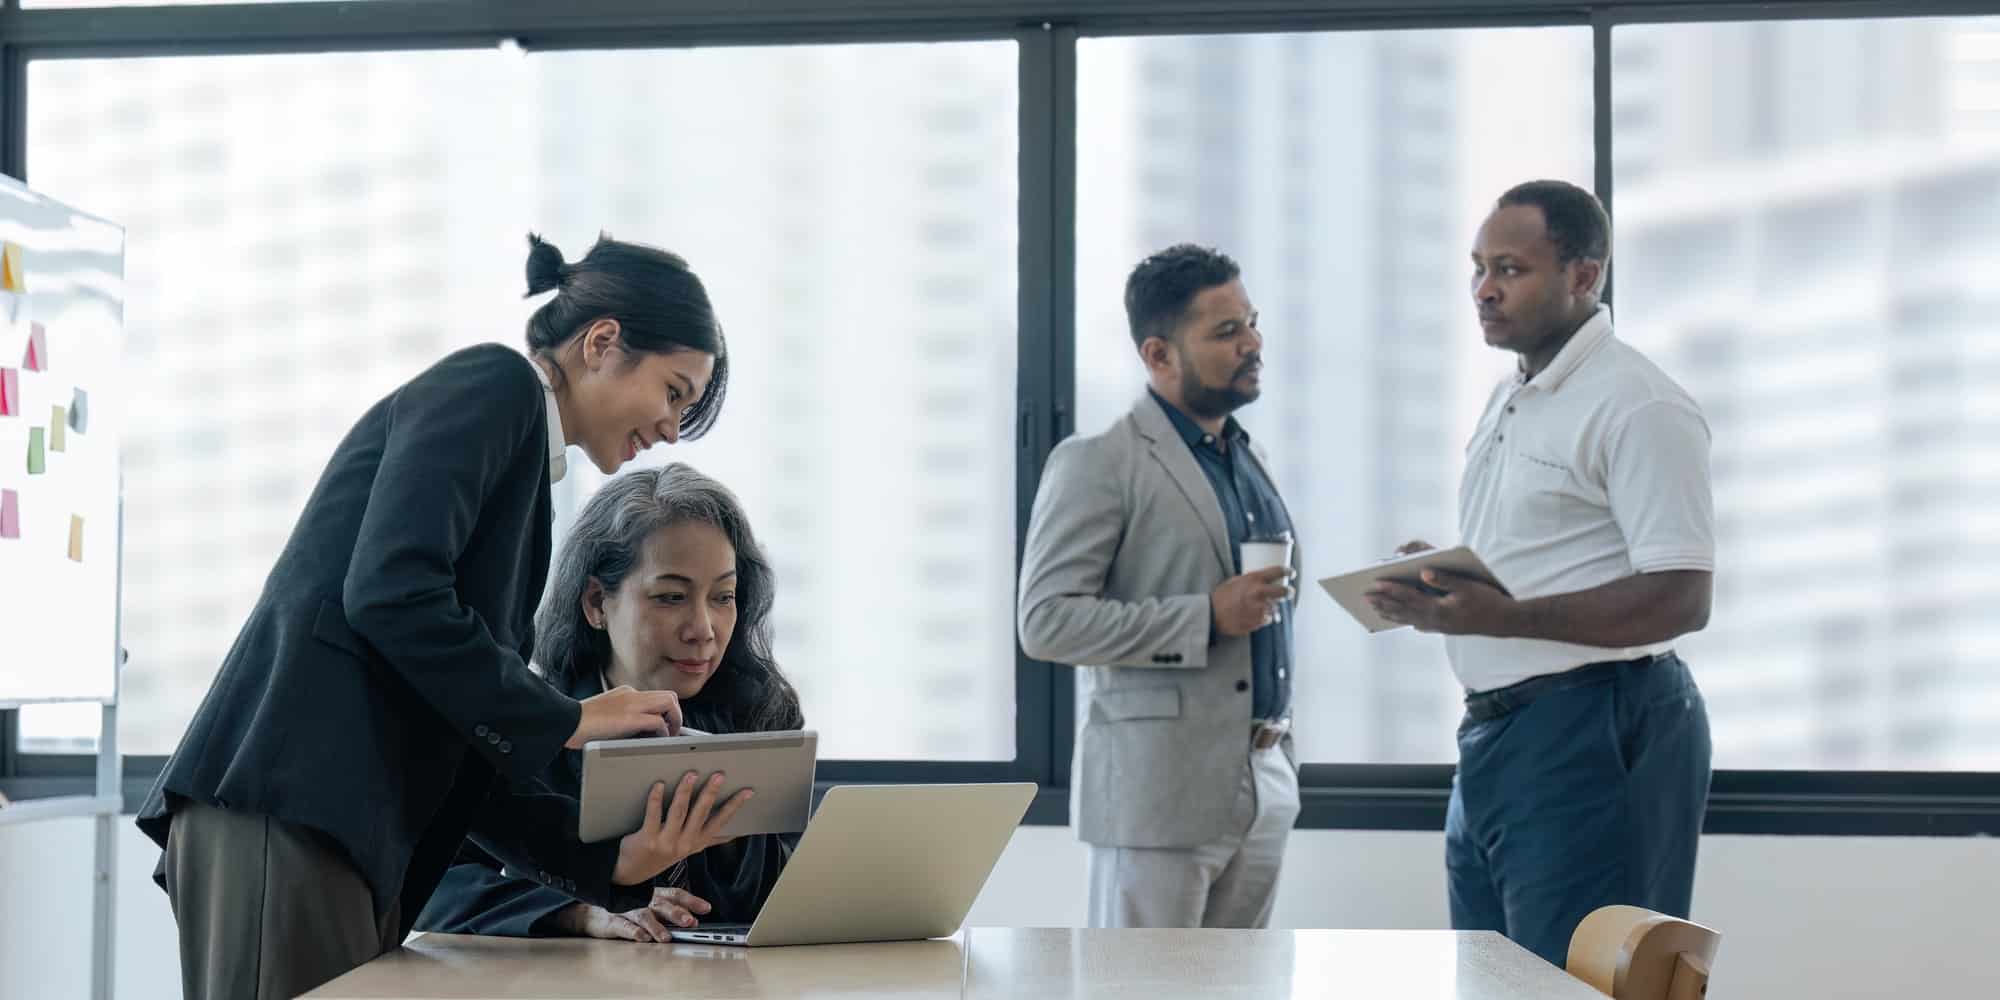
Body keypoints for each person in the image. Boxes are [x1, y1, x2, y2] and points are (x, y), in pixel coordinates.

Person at [136, 233, 751, 999]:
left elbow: (461, 729)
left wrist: (611, 868)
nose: (671, 430)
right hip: (297, 803)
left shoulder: (524, 463)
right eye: (674, 393)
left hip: (341, 826)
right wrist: (568, 717)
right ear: (602, 344)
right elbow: (391, 595)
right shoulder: (497, 386)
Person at [1365, 180, 1715, 966]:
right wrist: (1443, 576)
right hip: (1499, 734)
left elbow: (1683, 597)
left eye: (1511, 269)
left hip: (1595, 724)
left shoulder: (1638, 404)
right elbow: (1544, 550)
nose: (1484, 290)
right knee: (1496, 982)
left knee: (1593, 983)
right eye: (1479, 268)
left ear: (1584, 276)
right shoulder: (1512, 396)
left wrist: (1504, 614)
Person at [1018, 243, 1300, 930]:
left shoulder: (1249, 458)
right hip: (1155, 797)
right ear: (1159, 354)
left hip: (1263, 780)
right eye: (1226, 331)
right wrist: (1203, 616)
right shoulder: (1098, 462)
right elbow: (1047, 621)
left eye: (1252, 322)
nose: (1253, 342)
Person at [415, 464, 804, 942]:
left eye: (724, 596)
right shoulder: (531, 723)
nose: (703, 629)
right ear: (597, 603)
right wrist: (580, 911)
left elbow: (785, 891)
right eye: (670, 597)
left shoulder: (761, 715)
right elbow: (435, 885)